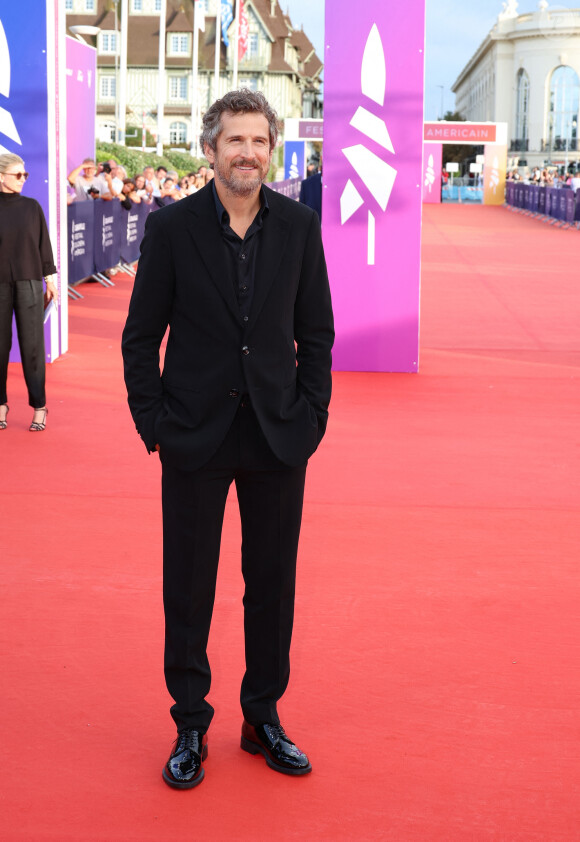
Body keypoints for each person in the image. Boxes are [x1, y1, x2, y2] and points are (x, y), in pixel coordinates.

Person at [122, 89, 334, 789]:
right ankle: (190, 723)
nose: (248, 153)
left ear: (272, 149)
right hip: (194, 436)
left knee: (272, 586)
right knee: (188, 587)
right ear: (209, 149)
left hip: (278, 437)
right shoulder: (173, 228)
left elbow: (317, 334)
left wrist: (310, 420)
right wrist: (154, 423)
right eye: (235, 141)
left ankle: (262, 716)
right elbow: (141, 336)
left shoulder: (300, 227)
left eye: (259, 142)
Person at [0, 153, 58, 431]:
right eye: (17, 175)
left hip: (30, 283)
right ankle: (0, 403)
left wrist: (50, 280)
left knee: (32, 348)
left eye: (25, 175)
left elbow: (42, 244)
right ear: (1, 177)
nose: (23, 179)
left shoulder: (32, 207)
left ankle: (39, 406)